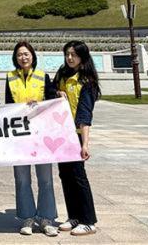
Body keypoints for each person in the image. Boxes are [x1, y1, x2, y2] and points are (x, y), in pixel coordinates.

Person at [5, 41, 58, 237]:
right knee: (22, 179)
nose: (23, 58)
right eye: (19, 55)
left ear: (32, 56)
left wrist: (42, 103)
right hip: (20, 134)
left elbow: (52, 102)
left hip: (41, 134)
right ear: (15, 58)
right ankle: (26, 218)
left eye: (26, 54)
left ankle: (46, 218)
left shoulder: (43, 76)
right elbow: (8, 105)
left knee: (45, 179)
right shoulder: (10, 77)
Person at [54, 41, 101, 236]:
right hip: (61, 134)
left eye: (73, 54)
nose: (69, 58)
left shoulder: (87, 81)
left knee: (78, 177)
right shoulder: (62, 75)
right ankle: (73, 216)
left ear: (82, 56)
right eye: (67, 54)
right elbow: (50, 92)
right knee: (65, 175)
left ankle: (88, 220)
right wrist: (57, 92)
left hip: (77, 134)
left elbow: (85, 113)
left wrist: (85, 144)